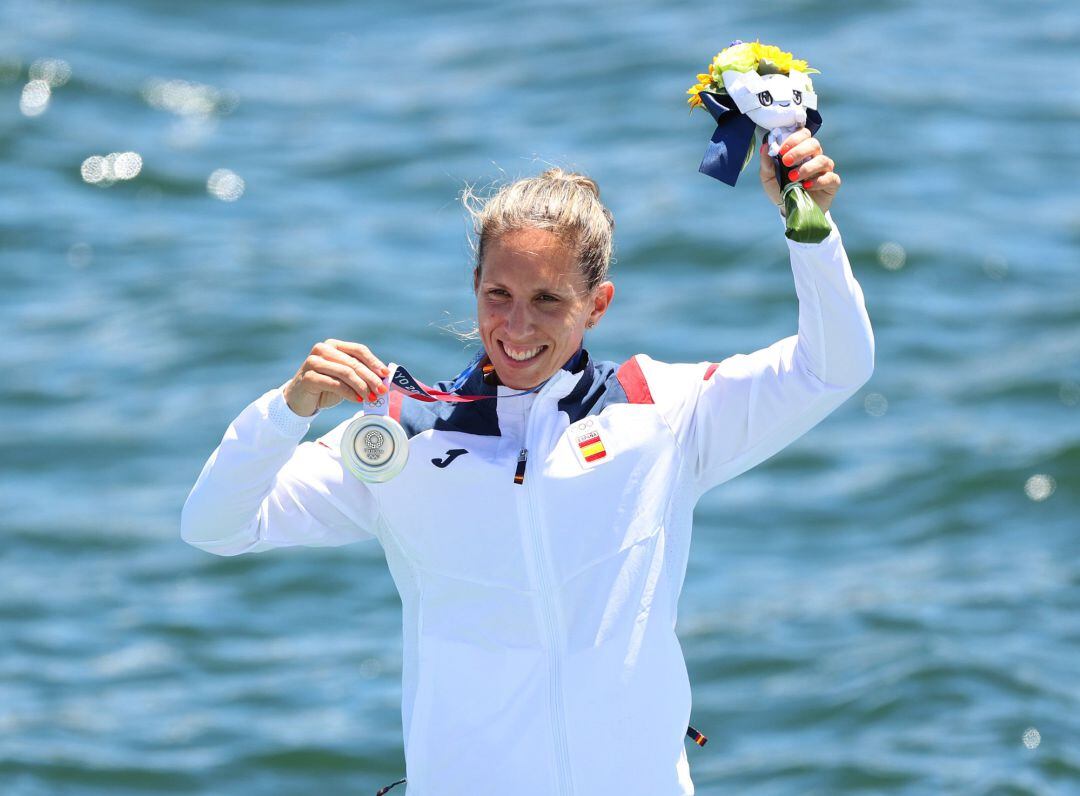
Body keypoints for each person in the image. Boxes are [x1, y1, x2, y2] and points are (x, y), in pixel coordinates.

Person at [181, 129, 874, 796]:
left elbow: (835, 366)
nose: (517, 326)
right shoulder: (401, 437)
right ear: (476, 285)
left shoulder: (660, 411)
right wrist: (287, 410)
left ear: (596, 306)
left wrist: (807, 225)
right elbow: (215, 526)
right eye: (499, 296)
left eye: (548, 300)